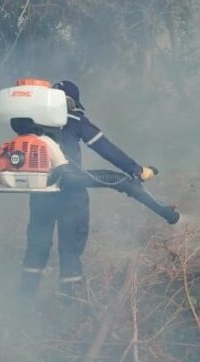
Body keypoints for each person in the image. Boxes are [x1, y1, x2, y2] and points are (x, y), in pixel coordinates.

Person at [19, 80, 155, 299]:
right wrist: (137, 170)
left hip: (41, 192)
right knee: (70, 249)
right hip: (71, 193)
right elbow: (105, 148)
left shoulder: (34, 123)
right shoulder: (75, 120)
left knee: (37, 246)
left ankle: (23, 301)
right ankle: (69, 303)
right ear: (73, 102)